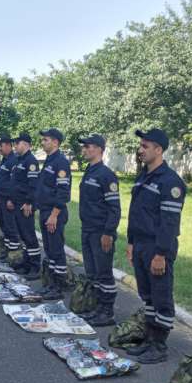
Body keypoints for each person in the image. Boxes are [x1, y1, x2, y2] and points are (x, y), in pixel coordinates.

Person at [125, 128, 186, 364]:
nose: (140, 150)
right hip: (140, 244)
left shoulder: (170, 182)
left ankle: (159, 346)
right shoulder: (144, 176)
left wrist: (161, 254)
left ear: (158, 150)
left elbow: (169, 224)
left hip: (157, 247)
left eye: (145, 146)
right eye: (140, 145)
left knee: (161, 297)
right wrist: (131, 242)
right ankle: (149, 339)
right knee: (148, 295)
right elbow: (135, 213)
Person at [76, 134, 121, 326]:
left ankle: (106, 312)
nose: (85, 149)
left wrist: (108, 233)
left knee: (104, 273)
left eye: (89, 146)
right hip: (87, 228)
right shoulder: (90, 171)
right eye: (84, 147)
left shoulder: (106, 175)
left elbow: (114, 208)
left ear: (100, 149)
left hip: (100, 231)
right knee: (92, 271)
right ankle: (95, 307)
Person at [34, 128, 71, 297]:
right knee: (49, 250)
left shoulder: (61, 162)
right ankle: (50, 284)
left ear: (55, 142)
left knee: (56, 250)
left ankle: (58, 287)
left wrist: (54, 215)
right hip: (45, 211)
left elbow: (63, 192)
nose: (42, 142)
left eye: (46, 140)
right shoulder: (50, 160)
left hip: (54, 213)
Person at [9, 133, 43, 280]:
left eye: (17, 143)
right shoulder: (19, 160)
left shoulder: (31, 161)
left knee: (29, 235)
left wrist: (29, 202)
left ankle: (35, 266)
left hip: (25, 204)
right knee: (23, 235)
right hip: (17, 202)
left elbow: (33, 185)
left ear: (26, 144)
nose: (15, 146)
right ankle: (26, 262)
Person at [0, 135, 18, 261]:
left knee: (10, 226)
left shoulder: (13, 160)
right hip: (0, 197)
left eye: (1, 146)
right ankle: (7, 251)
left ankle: (14, 253)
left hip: (8, 199)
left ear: (8, 145)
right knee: (4, 225)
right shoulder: (5, 159)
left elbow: (14, 182)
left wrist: (11, 199)